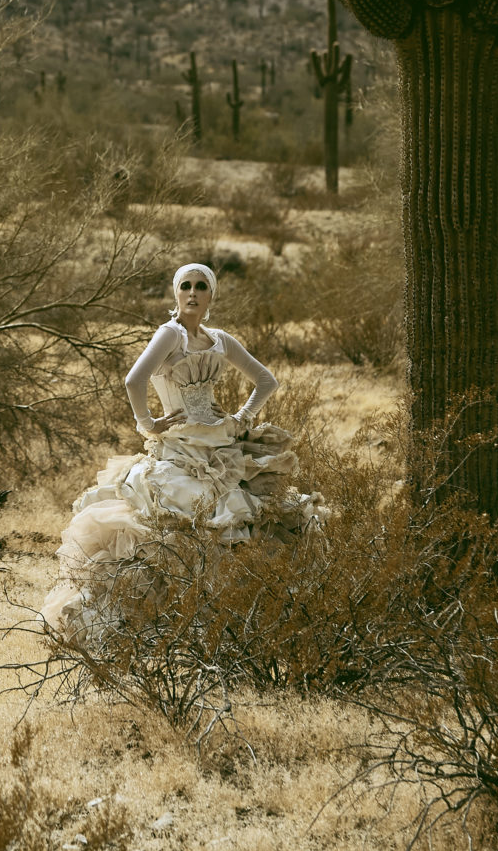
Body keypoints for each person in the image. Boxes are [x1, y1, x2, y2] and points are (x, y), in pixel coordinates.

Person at [40, 262, 324, 638]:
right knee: (180, 524)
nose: (192, 292)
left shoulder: (220, 339)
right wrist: (149, 424)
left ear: (211, 295)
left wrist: (241, 418)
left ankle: (230, 622)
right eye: (186, 286)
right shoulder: (169, 334)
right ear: (176, 294)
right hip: (179, 450)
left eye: (201, 286)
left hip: (221, 445)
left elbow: (266, 381)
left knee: (245, 518)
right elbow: (133, 380)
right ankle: (163, 622)